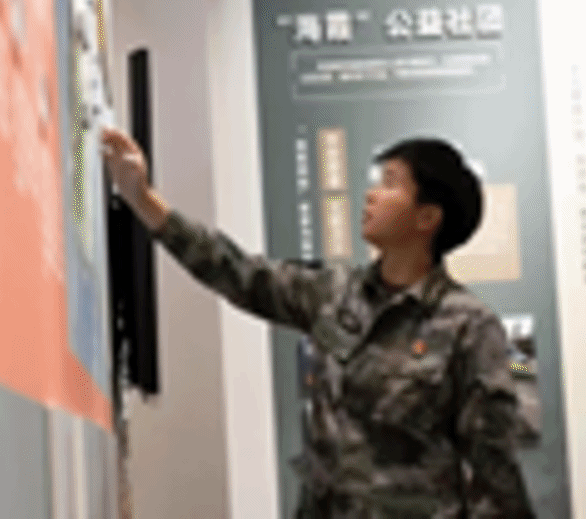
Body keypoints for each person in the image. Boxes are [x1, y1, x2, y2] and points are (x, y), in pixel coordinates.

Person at [98, 126, 532, 517]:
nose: (372, 194)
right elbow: (238, 272)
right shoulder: (335, 293)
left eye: (390, 183)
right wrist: (143, 199)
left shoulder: (469, 327)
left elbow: (495, 474)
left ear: (427, 218)